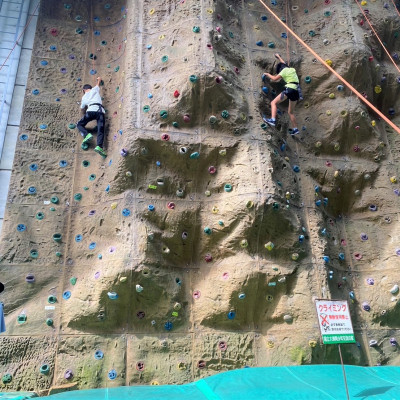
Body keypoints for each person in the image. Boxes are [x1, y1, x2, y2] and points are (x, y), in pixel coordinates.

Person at [262, 54, 300, 135]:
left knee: (273, 102)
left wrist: (267, 74)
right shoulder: (291, 69)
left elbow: (274, 79)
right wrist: (279, 57)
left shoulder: (283, 71)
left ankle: (272, 120)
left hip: (290, 89)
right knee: (291, 112)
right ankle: (295, 129)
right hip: (296, 91)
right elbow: (284, 63)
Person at [77, 76, 107, 157]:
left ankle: (87, 134)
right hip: (100, 111)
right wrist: (99, 79)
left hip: (90, 111)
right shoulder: (94, 89)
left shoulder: (84, 97)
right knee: (100, 130)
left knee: (79, 124)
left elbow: (82, 107)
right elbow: (98, 84)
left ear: (84, 90)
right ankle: (99, 146)